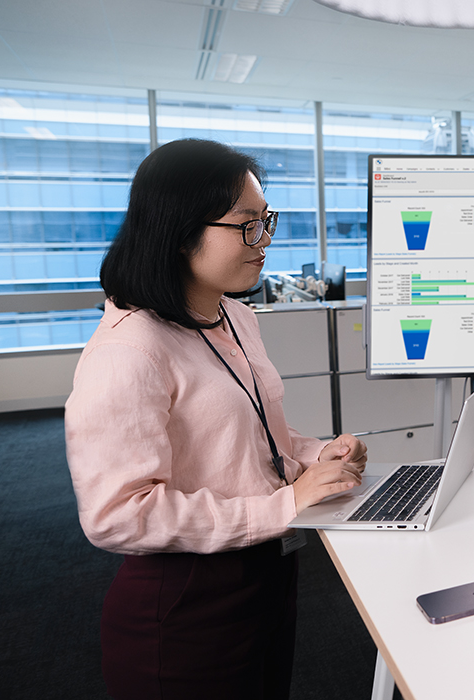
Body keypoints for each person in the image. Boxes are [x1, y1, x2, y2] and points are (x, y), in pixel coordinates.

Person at [64, 138, 366, 699]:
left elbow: (252, 432)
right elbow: (116, 515)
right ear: (180, 233)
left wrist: (311, 456)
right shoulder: (129, 351)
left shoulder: (234, 316)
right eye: (247, 224)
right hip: (185, 605)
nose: (267, 239)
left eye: (267, 219)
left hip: (266, 573)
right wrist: (285, 504)